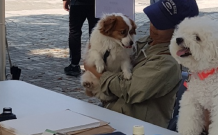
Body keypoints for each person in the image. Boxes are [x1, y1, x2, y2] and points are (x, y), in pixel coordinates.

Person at [84, 0, 199, 128]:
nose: (153, 27)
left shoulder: (166, 63)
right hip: (114, 114)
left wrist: (94, 70)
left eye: (161, 25)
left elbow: (129, 90)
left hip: (138, 127)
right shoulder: (147, 42)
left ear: (179, 31)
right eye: (153, 19)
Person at [63, 0, 99, 76]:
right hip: (96, 4)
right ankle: (95, 64)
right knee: (95, 33)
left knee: (75, 32)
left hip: (77, 3)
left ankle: (74, 65)